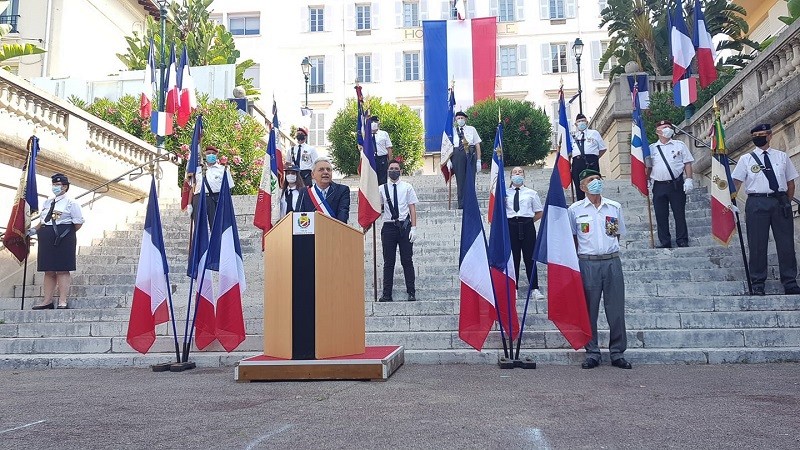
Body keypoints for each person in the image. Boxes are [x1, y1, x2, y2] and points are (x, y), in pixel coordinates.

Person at [568, 169, 631, 369]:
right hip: (588, 263)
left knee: (616, 309)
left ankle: (617, 352)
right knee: (589, 310)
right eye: (591, 180)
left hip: (612, 261)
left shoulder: (614, 207)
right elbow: (573, 238)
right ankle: (592, 352)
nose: (596, 182)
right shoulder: (575, 210)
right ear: (582, 186)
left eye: (598, 179)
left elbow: (617, 233)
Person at [731, 124, 800, 296]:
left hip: (779, 202)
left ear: (770, 136)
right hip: (756, 203)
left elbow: (791, 183)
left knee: (786, 244)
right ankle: (758, 282)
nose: (759, 137)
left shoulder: (782, 157)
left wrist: (785, 201)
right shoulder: (745, 159)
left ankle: (790, 281)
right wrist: (731, 202)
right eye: (755, 135)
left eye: (762, 134)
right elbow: (736, 183)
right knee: (757, 244)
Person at [29, 173, 85, 310]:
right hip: (46, 237)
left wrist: (64, 234)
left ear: (65, 187)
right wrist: (33, 231)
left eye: (58, 185)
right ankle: (47, 301)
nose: (55, 187)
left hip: (63, 237)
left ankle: (62, 301)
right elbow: (43, 221)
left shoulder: (72, 203)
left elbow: (77, 223)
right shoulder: (48, 202)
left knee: (62, 269)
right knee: (48, 270)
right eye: (54, 184)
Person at [647, 119, 695, 248]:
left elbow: (687, 162)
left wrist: (689, 179)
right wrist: (646, 180)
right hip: (659, 185)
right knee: (660, 214)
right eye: (663, 128)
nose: (666, 129)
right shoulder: (652, 148)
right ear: (657, 131)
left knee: (679, 213)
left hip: (676, 184)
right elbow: (648, 166)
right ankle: (665, 241)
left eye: (668, 126)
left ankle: (682, 239)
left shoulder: (679, 145)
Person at [378, 160, 418, 302]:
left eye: (396, 168)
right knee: (388, 262)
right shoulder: (381, 188)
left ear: (400, 171)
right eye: (391, 168)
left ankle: (411, 292)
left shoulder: (407, 187)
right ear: (388, 171)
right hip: (388, 227)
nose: (393, 170)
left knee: (407, 260)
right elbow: (378, 207)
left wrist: (413, 227)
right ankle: (387, 294)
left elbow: (412, 207)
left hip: (405, 226)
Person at [506, 167, 544, 300]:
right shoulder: (505, 193)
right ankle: (513, 287)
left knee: (530, 257)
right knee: (514, 258)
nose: (517, 174)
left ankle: (534, 288)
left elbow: (539, 212)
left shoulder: (531, 193)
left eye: (520, 172)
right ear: (510, 176)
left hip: (527, 226)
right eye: (514, 172)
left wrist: (527, 222)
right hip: (511, 226)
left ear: (524, 175)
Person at [192, 145, 234, 227]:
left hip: (215, 198)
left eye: (213, 153)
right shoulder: (197, 170)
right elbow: (192, 186)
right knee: (198, 226)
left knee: (216, 226)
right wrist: (189, 203)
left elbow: (229, 187)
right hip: (199, 198)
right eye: (208, 153)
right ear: (205, 154)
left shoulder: (223, 169)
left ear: (216, 155)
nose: (211, 155)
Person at [299, 158, 351, 223]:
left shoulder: (342, 190)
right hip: (312, 231)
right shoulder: (305, 192)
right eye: (321, 170)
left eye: (328, 170)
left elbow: (343, 215)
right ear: (313, 175)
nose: (326, 172)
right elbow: (298, 216)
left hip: (334, 231)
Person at [570, 113, 607, 201]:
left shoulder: (594, 133)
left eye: (583, 121)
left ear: (586, 122)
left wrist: (594, 158)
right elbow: (569, 152)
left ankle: (596, 201)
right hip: (577, 162)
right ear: (575, 124)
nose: (581, 123)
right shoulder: (573, 136)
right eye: (579, 121)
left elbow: (602, 149)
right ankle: (581, 204)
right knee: (579, 186)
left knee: (594, 184)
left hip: (591, 161)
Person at [451, 111, 482, 209]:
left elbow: (477, 144)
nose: (460, 120)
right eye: (458, 118)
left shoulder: (471, 129)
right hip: (457, 154)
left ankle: (471, 202)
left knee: (470, 178)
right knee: (460, 180)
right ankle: (462, 203)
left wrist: (479, 160)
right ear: (455, 120)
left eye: (462, 118)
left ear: (465, 119)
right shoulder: (452, 130)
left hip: (470, 153)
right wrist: (448, 160)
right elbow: (448, 146)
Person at [371, 116, 393, 186]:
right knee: (372, 180)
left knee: (382, 180)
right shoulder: (366, 134)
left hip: (382, 159)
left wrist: (390, 161)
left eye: (376, 122)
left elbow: (389, 148)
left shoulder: (384, 134)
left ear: (379, 123)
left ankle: (383, 195)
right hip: (371, 159)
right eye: (372, 122)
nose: (374, 123)